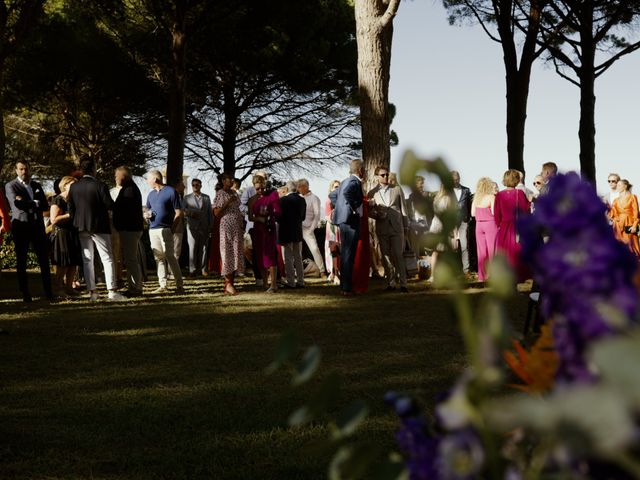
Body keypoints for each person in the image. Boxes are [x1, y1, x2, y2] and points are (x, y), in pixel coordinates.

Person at [67, 158, 125, 302]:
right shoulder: (100, 185)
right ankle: (112, 291)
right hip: (99, 226)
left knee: (87, 260)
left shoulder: (74, 187)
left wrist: (76, 222)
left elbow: (71, 208)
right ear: (93, 168)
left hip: (81, 226)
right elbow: (109, 205)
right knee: (107, 258)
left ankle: (92, 292)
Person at [5, 160, 54, 301]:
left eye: (26, 169)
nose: (24, 172)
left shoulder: (36, 185)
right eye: (21, 169)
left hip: (37, 227)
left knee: (44, 259)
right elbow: (17, 204)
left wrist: (30, 203)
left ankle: (49, 292)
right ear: (16, 170)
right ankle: (25, 293)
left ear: (30, 169)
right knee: (22, 260)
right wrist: (34, 202)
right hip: (21, 227)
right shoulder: (11, 185)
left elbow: (44, 205)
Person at [368, 165, 409, 292]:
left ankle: (403, 284)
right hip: (382, 227)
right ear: (377, 177)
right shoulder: (372, 193)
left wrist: (406, 225)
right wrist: (377, 215)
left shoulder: (397, 189)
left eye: (387, 174)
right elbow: (369, 211)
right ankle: (391, 283)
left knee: (398, 255)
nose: (386, 176)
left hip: (397, 227)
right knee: (385, 257)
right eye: (382, 175)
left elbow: (404, 209)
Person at [144, 169, 185, 295]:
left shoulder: (171, 191)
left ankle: (179, 286)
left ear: (155, 179)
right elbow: (148, 209)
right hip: (153, 229)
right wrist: (146, 215)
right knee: (158, 258)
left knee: (170, 257)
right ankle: (162, 285)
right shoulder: (150, 194)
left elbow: (179, 212)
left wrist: (171, 229)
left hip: (166, 229)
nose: (147, 182)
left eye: (148, 180)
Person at [331, 159, 365, 296]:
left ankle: (345, 287)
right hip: (350, 220)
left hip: (343, 220)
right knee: (348, 254)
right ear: (360, 170)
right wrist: (353, 207)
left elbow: (333, 195)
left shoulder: (345, 181)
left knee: (346, 253)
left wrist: (340, 207)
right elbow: (346, 194)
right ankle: (346, 288)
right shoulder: (354, 182)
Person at [112, 166, 145, 297]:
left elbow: (123, 210)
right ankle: (133, 286)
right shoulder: (129, 188)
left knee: (131, 260)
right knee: (131, 259)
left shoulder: (129, 190)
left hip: (130, 229)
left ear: (123, 177)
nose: (115, 178)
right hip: (130, 228)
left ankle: (136, 288)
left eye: (116, 176)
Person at [494, 169, 531, 281]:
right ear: (516, 180)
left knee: (505, 255)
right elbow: (525, 210)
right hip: (517, 228)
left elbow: (496, 214)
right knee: (516, 255)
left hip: (504, 228)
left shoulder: (499, 195)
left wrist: (499, 225)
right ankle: (516, 278)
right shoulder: (519, 193)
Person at [213, 172, 245, 295]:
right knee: (227, 252)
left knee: (236, 253)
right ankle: (228, 283)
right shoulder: (221, 194)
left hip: (237, 226)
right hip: (227, 225)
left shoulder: (235, 193)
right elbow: (216, 213)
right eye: (229, 179)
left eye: (232, 178)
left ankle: (231, 283)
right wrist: (227, 202)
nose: (232, 180)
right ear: (223, 180)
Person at [49, 176, 82, 297]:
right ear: (65, 184)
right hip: (61, 234)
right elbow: (54, 219)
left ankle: (69, 288)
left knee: (73, 262)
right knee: (63, 262)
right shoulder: (58, 199)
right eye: (73, 184)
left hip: (73, 233)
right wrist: (69, 215)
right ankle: (58, 289)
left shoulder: (75, 200)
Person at [248, 175, 281, 293]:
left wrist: (270, 214)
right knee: (260, 256)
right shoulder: (252, 199)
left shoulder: (272, 195)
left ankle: (274, 284)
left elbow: (278, 211)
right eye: (258, 189)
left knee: (271, 255)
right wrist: (259, 219)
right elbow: (250, 217)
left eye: (262, 188)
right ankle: (265, 284)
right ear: (254, 187)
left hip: (269, 228)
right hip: (258, 229)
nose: (261, 191)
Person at [278, 181, 307, 289]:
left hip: (286, 231)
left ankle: (291, 282)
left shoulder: (283, 200)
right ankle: (301, 281)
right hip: (297, 231)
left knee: (288, 257)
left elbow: (278, 217)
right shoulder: (302, 200)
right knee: (298, 257)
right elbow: (303, 217)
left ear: (288, 189)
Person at [183, 178, 213, 277]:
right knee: (192, 248)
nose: (195, 186)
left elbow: (210, 213)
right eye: (193, 185)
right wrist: (191, 213)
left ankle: (203, 269)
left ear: (201, 185)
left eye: (197, 185)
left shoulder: (206, 198)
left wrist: (210, 226)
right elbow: (183, 211)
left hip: (204, 226)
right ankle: (192, 270)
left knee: (204, 248)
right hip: (192, 227)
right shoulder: (186, 198)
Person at [297, 178, 326, 278]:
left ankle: (322, 271)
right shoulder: (298, 197)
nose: (298, 188)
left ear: (305, 187)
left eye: (299, 186)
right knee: (297, 250)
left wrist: (311, 229)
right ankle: (298, 273)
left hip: (308, 228)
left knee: (314, 249)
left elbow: (317, 215)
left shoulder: (314, 198)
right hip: (297, 227)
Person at [471, 177, 498, 282]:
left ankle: (481, 277)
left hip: (479, 225)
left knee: (481, 252)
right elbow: (494, 213)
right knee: (493, 251)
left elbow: (473, 214)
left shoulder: (476, 198)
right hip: (490, 224)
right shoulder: (491, 197)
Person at [428, 184, 456, 283]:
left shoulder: (436, 198)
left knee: (435, 252)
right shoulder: (448, 199)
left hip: (435, 225)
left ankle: (432, 276)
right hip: (443, 226)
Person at [609, 179, 640, 257]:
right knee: (619, 249)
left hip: (629, 225)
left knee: (632, 247)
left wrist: (634, 225)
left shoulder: (633, 197)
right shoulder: (615, 201)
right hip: (618, 227)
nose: (617, 187)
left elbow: (636, 213)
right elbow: (612, 214)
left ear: (625, 186)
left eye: (619, 185)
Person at [451, 170, 472, 275]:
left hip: (463, 221)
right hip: (450, 222)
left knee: (464, 246)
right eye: (454, 180)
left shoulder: (466, 190)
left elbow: (469, 205)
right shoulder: (447, 191)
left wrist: (468, 218)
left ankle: (466, 270)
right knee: (452, 247)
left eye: (457, 179)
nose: (456, 181)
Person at [324, 180, 341, 284]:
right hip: (332, 227)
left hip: (340, 227)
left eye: (339, 186)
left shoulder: (342, 200)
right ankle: (333, 273)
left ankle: (339, 271)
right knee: (332, 250)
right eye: (335, 187)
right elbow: (327, 216)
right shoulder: (328, 200)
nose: (337, 188)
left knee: (341, 249)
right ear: (331, 188)